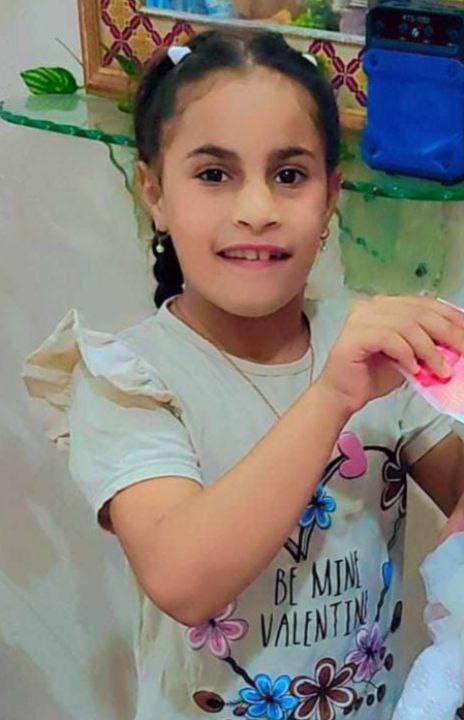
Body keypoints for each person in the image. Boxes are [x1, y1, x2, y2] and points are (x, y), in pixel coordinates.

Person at [22, 29, 464, 720]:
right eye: (213, 174)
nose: (256, 210)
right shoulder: (125, 379)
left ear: (330, 196)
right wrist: (331, 397)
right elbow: (183, 579)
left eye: (289, 176)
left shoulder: (371, 347)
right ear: (153, 192)